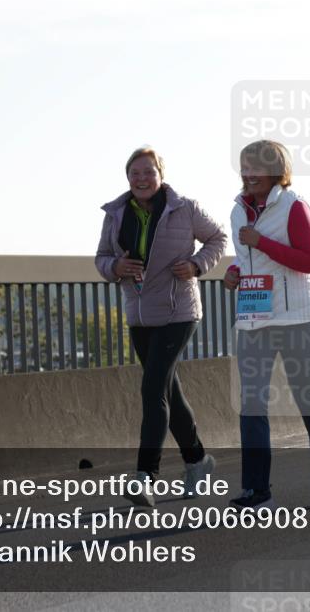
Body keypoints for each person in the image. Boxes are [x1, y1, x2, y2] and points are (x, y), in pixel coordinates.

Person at [96, 146, 227, 507]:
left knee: (153, 388)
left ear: (160, 175)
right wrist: (115, 268)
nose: (141, 178)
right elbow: (102, 257)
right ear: (128, 177)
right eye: (135, 172)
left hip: (179, 311)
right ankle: (198, 460)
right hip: (139, 313)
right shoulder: (117, 213)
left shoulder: (184, 208)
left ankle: (144, 476)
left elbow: (218, 238)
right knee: (170, 391)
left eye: (148, 172)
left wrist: (197, 265)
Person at [224, 139, 310, 509]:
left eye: (256, 167)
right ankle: (257, 490)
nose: (248, 173)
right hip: (254, 318)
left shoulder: (293, 205)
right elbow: (246, 260)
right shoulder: (237, 210)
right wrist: (233, 273)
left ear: (276, 170)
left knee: (307, 395)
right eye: (244, 166)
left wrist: (262, 242)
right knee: (252, 402)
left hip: (298, 318)